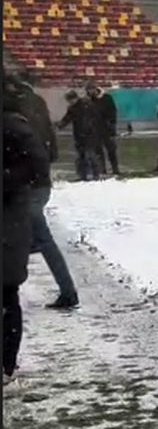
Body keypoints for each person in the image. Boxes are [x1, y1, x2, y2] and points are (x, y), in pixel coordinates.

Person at [5, 76, 79, 309]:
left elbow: (31, 146)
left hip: (28, 184)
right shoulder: (34, 103)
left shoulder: (17, 108)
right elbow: (47, 141)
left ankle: (68, 292)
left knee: (40, 239)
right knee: (29, 238)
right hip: (36, 181)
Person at [3, 93, 50, 385]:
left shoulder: (12, 125)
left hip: (8, 220)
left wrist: (6, 180)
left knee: (6, 294)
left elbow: (38, 166)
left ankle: (6, 363)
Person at [57, 90, 100, 181]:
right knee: (82, 156)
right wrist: (59, 125)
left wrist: (93, 128)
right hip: (80, 135)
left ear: (75, 98)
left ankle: (94, 174)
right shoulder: (74, 108)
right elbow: (67, 118)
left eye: (71, 100)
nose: (70, 102)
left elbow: (96, 117)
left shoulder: (86, 105)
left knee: (89, 154)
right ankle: (84, 175)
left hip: (89, 134)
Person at [86, 81, 119, 176]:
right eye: (88, 90)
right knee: (98, 151)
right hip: (96, 129)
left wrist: (112, 125)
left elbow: (113, 112)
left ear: (95, 89)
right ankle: (102, 170)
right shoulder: (89, 101)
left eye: (90, 90)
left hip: (107, 128)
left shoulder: (107, 98)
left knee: (111, 150)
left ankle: (115, 169)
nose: (89, 92)